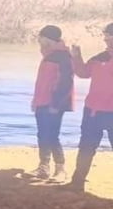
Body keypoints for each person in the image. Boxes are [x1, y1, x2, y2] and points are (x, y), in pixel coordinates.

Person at [65, 23, 113, 193]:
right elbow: (83, 73)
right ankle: (77, 183)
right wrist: (76, 56)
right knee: (86, 147)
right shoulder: (100, 57)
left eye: (109, 35)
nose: (106, 39)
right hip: (93, 111)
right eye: (106, 35)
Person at [27, 25, 74, 182]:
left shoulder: (63, 56)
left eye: (40, 37)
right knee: (42, 134)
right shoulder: (49, 55)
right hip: (42, 101)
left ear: (47, 38)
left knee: (52, 135)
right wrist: (35, 100)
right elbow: (42, 82)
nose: (39, 41)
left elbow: (66, 83)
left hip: (54, 103)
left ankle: (60, 169)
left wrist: (56, 104)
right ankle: (43, 167)